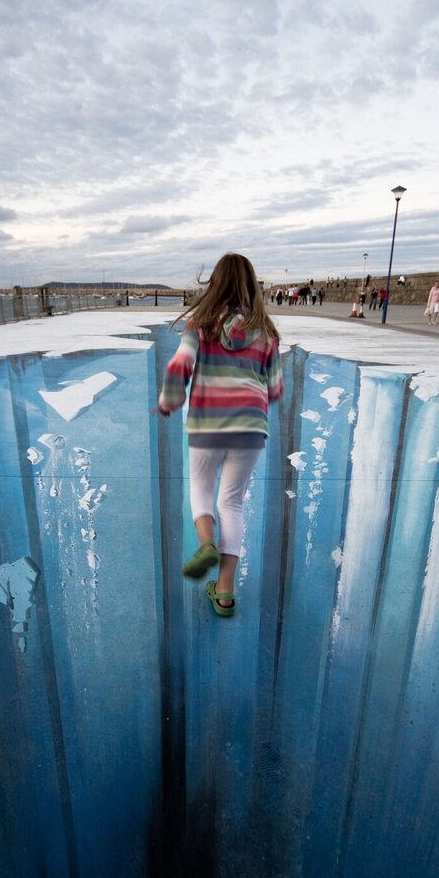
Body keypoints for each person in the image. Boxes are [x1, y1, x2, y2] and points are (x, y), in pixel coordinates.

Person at [154, 252, 283, 616]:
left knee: (201, 488)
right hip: (251, 425)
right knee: (232, 502)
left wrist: (169, 401)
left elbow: (181, 363)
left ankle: (206, 543)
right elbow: (274, 388)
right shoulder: (268, 332)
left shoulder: (201, 323)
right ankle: (225, 592)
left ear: (215, 282)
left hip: (208, 421)